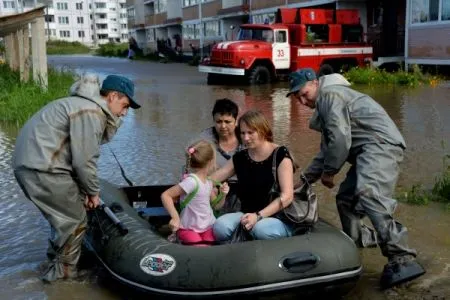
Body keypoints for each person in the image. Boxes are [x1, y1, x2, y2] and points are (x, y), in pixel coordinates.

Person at [286, 68, 425, 289]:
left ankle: (402, 259)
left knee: (368, 193)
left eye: (304, 94)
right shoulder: (326, 104)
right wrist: (303, 181)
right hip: (365, 151)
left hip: (380, 145)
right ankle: (361, 244)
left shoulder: (330, 96)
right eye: (297, 97)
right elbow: (326, 151)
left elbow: (340, 140)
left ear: (315, 83)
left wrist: (330, 172)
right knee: (345, 199)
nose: (303, 101)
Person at [12, 74, 141, 282]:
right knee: (75, 220)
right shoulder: (91, 112)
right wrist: (93, 192)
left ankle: (53, 264)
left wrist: (86, 191)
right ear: (113, 96)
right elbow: (84, 161)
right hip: (43, 167)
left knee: (64, 218)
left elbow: (75, 157)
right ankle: (64, 278)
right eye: (125, 106)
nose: (125, 113)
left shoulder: (80, 105)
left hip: (32, 165)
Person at [211, 110, 295, 241]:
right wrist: (189, 185)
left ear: (263, 130)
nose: (245, 138)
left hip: (277, 217)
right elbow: (214, 178)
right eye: (243, 133)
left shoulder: (280, 155)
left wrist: (258, 216)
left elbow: (287, 196)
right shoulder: (240, 157)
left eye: (251, 133)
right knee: (220, 227)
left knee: (261, 229)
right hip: (246, 214)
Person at [161, 140, 229, 246]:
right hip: (189, 228)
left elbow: (216, 207)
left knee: (211, 246)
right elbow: (166, 195)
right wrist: (175, 218)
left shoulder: (209, 182)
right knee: (200, 247)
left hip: (207, 226)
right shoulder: (191, 182)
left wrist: (223, 195)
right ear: (211, 161)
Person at [198, 98, 244, 214]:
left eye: (227, 122)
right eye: (219, 122)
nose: (223, 126)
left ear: (236, 120)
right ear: (213, 121)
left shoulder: (246, 136)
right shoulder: (205, 139)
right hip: (213, 189)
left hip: (242, 189)